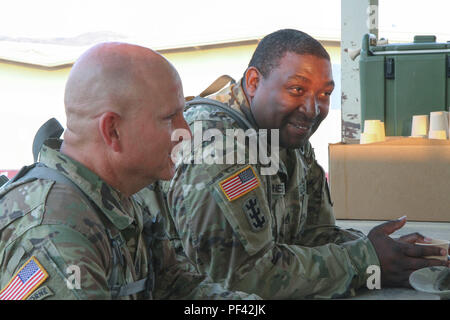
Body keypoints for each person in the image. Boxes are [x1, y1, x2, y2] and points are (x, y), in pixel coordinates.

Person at [157, 29, 450, 299]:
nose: (312, 110)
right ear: (254, 82)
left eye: (325, 94)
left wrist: (397, 253)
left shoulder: (286, 135)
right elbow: (239, 278)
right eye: (297, 90)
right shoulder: (217, 147)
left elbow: (313, 233)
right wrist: (366, 260)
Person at [0, 42, 259, 300]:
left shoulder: (119, 195)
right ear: (113, 130)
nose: (186, 133)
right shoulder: (54, 234)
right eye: (170, 117)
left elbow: (178, 288)